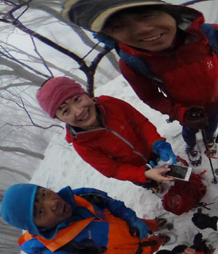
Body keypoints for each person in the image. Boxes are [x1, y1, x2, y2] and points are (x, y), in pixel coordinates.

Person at [62, 0, 218, 164]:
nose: (143, 29)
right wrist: (182, 114)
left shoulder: (212, 36)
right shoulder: (132, 63)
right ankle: (192, 146)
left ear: (172, 13)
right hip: (186, 111)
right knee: (189, 132)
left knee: (211, 127)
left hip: (217, 103)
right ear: (111, 37)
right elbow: (151, 97)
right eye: (118, 27)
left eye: (147, 16)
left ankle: (209, 141)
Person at [36, 76, 177, 190]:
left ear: (85, 93)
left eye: (77, 99)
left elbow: (140, 123)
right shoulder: (82, 144)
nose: (79, 111)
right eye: (66, 111)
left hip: (151, 150)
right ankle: (153, 186)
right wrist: (143, 174)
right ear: (60, 119)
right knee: (147, 181)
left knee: (169, 168)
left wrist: (156, 142)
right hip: (133, 169)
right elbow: (113, 169)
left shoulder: (109, 104)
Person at [0, 183, 167, 254]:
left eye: (43, 193)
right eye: (40, 212)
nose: (53, 203)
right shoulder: (61, 250)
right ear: (39, 228)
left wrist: (131, 218)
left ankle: (155, 225)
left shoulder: (80, 196)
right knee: (150, 246)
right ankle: (160, 240)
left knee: (145, 225)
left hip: (128, 224)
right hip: (128, 253)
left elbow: (109, 202)